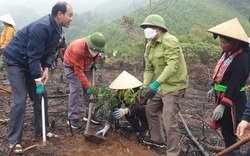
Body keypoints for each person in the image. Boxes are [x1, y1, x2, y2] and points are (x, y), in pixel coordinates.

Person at [3, 2, 73, 154]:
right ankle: (14, 140)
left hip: (28, 61)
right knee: (20, 100)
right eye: (70, 15)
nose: (71, 19)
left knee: (41, 96)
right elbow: (33, 57)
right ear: (59, 14)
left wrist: (47, 68)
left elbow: (49, 51)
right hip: (15, 60)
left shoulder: (57, 29)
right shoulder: (41, 27)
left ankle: (42, 130)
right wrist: (38, 81)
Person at [139, 14, 188, 155]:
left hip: (174, 86)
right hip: (160, 86)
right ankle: (158, 139)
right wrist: (145, 85)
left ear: (159, 28)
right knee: (150, 110)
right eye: (146, 27)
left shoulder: (170, 41)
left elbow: (172, 65)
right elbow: (149, 69)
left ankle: (173, 152)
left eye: (150, 27)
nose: (147, 29)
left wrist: (156, 84)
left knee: (169, 120)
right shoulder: (149, 46)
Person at [207, 18, 250, 156]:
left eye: (225, 42)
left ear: (236, 42)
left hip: (234, 101)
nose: (223, 45)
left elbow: (235, 83)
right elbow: (222, 74)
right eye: (221, 42)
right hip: (222, 96)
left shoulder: (242, 58)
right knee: (226, 131)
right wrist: (214, 87)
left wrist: (224, 104)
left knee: (231, 133)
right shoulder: (227, 53)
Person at [63, 32, 106, 129]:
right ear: (90, 46)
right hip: (71, 65)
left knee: (88, 89)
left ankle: (89, 113)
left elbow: (96, 53)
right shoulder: (79, 49)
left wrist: (95, 62)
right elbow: (78, 71)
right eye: (95, 50)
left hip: (86, 64)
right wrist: (88, 86)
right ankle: (72, 117)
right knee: (75, 88)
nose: (96, 52)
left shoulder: (96, 44)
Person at [96, 70, 149, 138]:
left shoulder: (139, 92)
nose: (124, 90)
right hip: (133, 112)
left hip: (144, 112)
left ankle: (146, 129)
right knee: (126, 112)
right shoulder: (120, 93)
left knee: (141, 111)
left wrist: (126, 110)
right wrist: (107, 126)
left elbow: (138, 105)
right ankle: (135, 127)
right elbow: (114, 107)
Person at [0, 14, 16, 85]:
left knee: (8, 64)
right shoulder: (7, 28)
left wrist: (4, 48)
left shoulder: (9, 29)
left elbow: (8, 40)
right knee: (6, 64)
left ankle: (11, 80)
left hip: (7, 49)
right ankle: (9, 79)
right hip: (5, 48)